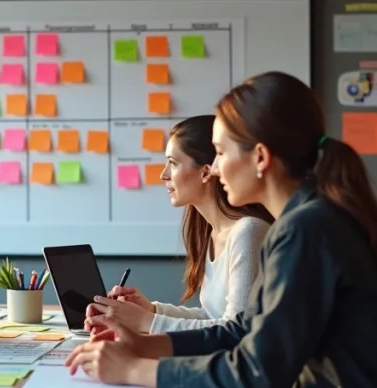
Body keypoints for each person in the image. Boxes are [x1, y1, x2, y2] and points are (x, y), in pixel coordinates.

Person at [67, 71, 377, 388]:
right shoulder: (303, 222)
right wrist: (144, 345)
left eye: (220, 153)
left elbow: (258, 372)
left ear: (260, 157)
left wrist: (136, 370)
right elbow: (242, 331)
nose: (215, 169)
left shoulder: (308, 230)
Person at [84, 115, 272, 334]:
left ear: (205, 172)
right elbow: (212, 317)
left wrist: (146, 321)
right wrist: (151, 310)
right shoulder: (212, 233)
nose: (163, 175)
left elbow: (236, 330)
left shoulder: (247, 232)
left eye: (172, 163)